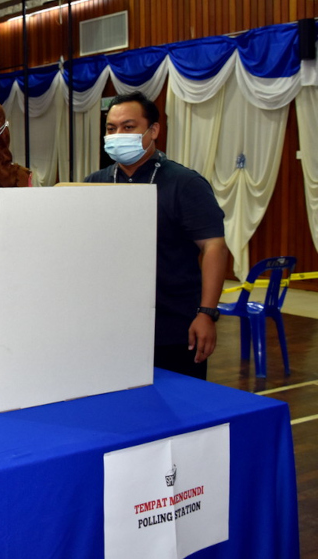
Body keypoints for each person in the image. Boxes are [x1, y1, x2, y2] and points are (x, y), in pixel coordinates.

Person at [84, 91, 227, 380]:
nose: (117, 135)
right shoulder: (93, 183)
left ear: (154, 130)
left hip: (174, 324)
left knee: (181, 409)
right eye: (111, 129)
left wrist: (207, 313)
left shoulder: (185, 183)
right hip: (111, 325)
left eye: (128, 127)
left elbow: (214, 246)